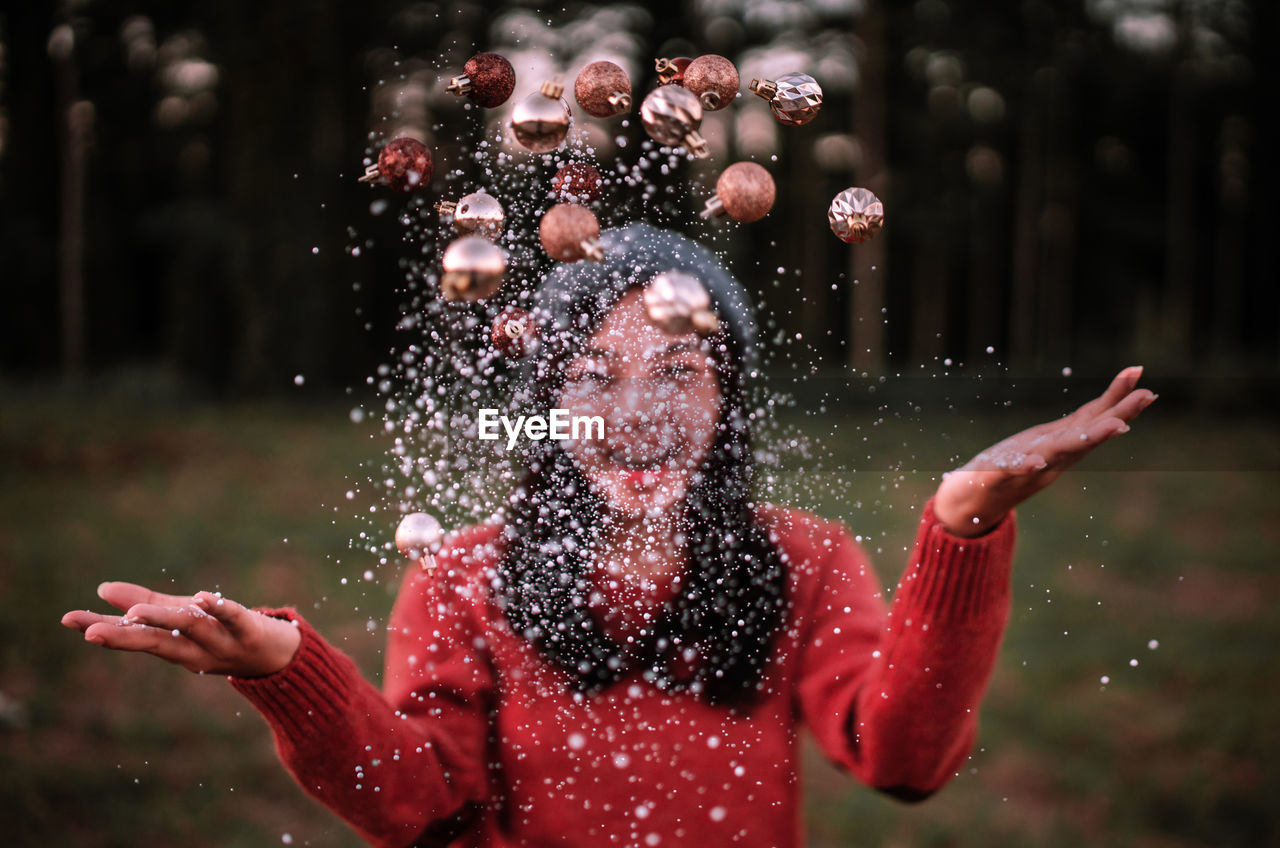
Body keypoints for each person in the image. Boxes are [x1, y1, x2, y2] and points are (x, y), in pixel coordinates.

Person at [62, 223, 1156, 847]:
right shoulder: (460, 575)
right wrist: (288, 668)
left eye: (680, 372)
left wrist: (961, 523)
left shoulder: (805, 558)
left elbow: (905, 759)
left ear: (731, 403)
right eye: (592, 376)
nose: (636, 412)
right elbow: (419, 803)